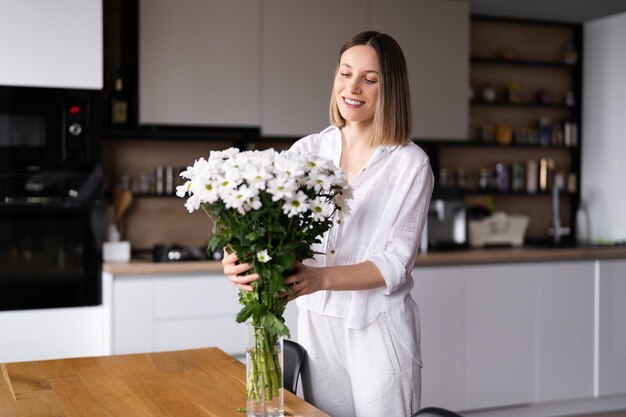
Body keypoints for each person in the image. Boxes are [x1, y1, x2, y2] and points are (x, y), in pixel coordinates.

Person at [222, 30, 433, 417]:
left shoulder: (410, 164)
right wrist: (236, 253)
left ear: (392, 90)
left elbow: (395, 264)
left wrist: (320, 279)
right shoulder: (308, 151)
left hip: (377, 330)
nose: (353, 87)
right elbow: (264, 218)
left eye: (370, 79)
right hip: (317, 326)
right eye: (345, 73)